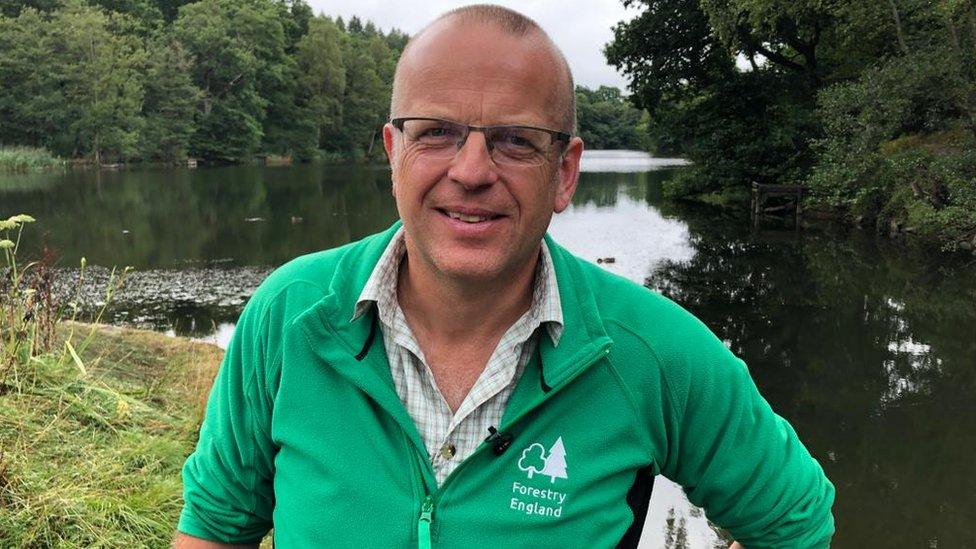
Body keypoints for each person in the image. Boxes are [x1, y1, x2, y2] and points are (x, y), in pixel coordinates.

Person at [174, 5, 835, 548]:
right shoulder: (289, 317)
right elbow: (214, 526)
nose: (471, 170)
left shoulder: (655, 353)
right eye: (435, 132)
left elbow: (796, 522)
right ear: (393, 152)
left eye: (516, 140)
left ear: (565, 171)